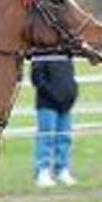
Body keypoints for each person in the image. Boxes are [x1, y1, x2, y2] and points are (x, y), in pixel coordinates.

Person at [31, 54, 79, 188]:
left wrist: (73, 91)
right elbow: (37, 79)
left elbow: (70, 76)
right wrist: (52, 94)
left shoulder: (66, 55)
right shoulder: (42, 55)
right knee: (46, 136)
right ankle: (43, 171)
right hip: (47, 104)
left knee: (65, 137)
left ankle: (62, 169)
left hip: (65, 104)